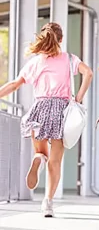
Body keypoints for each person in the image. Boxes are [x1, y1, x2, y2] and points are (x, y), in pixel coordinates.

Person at [0, 22, 93, 217]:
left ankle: (37, 160)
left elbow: (15, 84)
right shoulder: (69, 59)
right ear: (61, 39)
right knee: (55, 161)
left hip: (39, 109)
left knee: (40, 152)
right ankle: (48, 203)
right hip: (62, 111)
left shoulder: (36, 62)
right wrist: (78, 97)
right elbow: (88, 73)